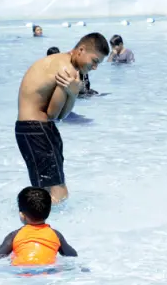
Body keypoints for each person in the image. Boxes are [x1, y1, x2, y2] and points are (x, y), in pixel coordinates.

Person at [16, 33, 108, 204]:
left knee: (42, 191)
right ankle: (52, 227)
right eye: (95, 61)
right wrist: (73, 92)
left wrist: (72, 93)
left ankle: (35, 224)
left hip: (29, 129)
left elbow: (59, 115)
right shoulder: (68, 71)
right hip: (37, 129)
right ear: (81, 50)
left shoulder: (61, 61)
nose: (95, 67)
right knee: (59, 191)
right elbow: (55, 115)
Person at [0, 187, 78, 266]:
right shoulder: (56, 235)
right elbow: (71, 255)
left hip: (21, 270)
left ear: (22, 215)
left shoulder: (15, 235)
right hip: (48, 270)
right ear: (49, 212)